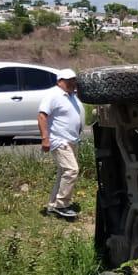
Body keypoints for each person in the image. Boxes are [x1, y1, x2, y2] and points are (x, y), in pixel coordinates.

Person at [38, 68, 85, 221]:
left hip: (71, 140)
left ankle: (52, 206)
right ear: (60, 81)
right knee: (71, 170)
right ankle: (62, 205)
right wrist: (45, 138)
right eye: (69, 80)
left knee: (63, 174)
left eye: (73, 79)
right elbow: (42, 116)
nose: (73, 82)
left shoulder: (71, 96)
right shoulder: (53, 95)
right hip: (59, 141)